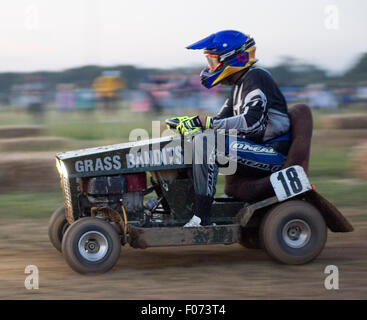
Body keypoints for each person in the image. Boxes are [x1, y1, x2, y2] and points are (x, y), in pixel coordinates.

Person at [167, 30, 291, 227]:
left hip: (272, 153)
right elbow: (219, 121)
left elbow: (253, 123)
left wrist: (205, 123)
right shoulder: (239, 85)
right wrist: (191, 124)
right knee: (192, 141)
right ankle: (172, 205)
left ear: (232, 59)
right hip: (254, 149)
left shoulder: (256, 77)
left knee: (206, 143)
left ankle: (202, 219)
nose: (210, 67)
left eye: (213, 62)